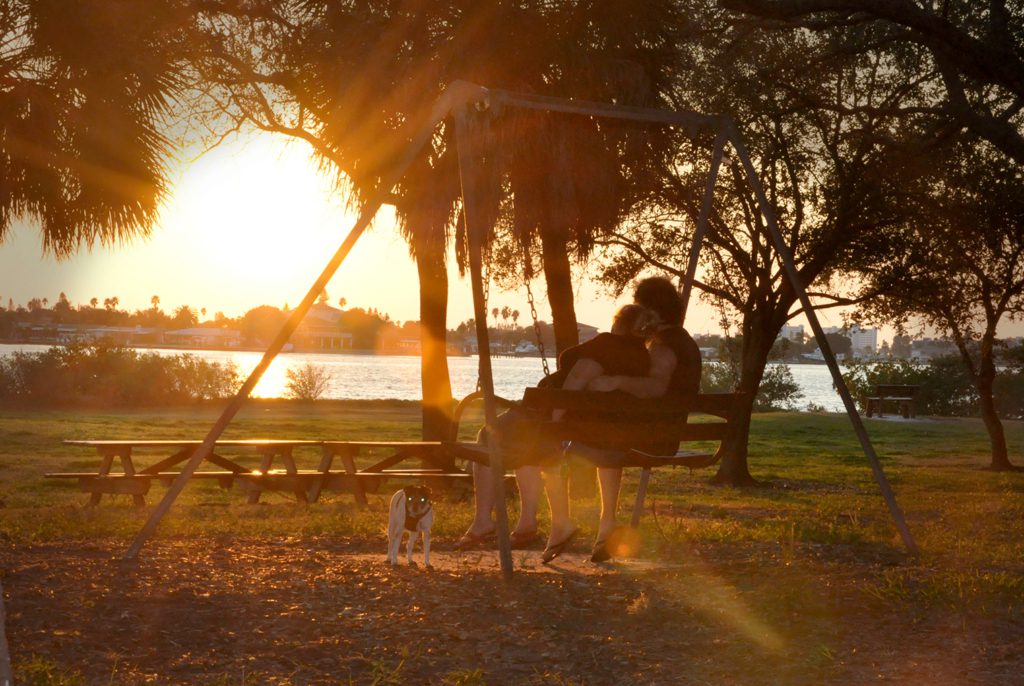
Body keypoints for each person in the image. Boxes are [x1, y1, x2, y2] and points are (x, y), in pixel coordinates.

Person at [455, 303, 658, 550]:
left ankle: (483, 522)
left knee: (488, 435)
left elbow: (576, 379)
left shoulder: (606, 347)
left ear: (618, 324)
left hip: (551, 416)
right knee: (528, 447)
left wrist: (554, 421)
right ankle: (527, 525)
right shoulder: (642, 359)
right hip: (595, 428)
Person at [540, 276, 701, 563]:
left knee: (548, 444)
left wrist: (615, 381)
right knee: (604, 436)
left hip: (654, 439)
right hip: (653, 434)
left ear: (651, 310)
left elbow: (656, 386)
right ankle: (606, 524)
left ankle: (563, 524)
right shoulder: (680, 341)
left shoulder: (665, 346)